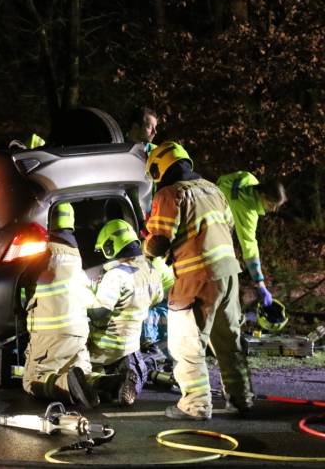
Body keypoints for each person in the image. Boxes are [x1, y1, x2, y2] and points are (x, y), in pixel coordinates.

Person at [144, 142, 253, 420]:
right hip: (229, 274)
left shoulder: (170, 194)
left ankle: (195, 406)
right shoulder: (213, 190)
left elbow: (158, 243)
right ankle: (241, 399)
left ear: (160, 167)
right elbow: (227, 226)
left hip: (197, 276)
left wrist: (144, 246)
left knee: (186, 343)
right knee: (229, 340)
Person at [21, 202, 99, 408]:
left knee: (32, 381)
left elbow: (18, 280)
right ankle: (110, 383)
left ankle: (68, 387)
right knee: (82, 374)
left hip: (51, 332)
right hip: (79, 331)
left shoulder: (41, 250)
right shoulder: (76, 255)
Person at [87, 219, 164, 406]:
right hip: (130, 343)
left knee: (87, 370)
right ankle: (127, 381)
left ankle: (101, 388)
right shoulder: (151, 270)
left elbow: (100, 313)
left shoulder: (116, 275)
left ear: (110, 246)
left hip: (103, 345)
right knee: (139, 368)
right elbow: (158, 298)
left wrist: (85, 303)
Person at [216, 171, 287, 308]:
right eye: (271, 204)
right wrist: (260, 281)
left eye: (276, 207)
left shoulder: (249, 178)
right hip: (215, 227)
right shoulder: (246, 210)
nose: (272, 210)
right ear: (262, 195)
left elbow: (223, 178)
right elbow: (249, 246)